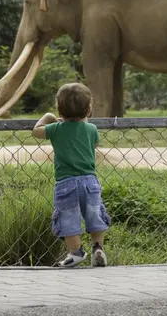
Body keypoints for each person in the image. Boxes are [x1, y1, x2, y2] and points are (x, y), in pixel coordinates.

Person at [32, 82, 111, 268]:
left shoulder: (56, 129)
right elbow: (90, 138)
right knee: (94, 214)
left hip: (66, 182)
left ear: (59, 108)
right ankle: (98, 247)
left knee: (68, 217)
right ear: (89, 109)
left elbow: (36, 131)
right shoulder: (91, 130)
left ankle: (75, 252)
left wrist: (48, 117)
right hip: (89, 181)